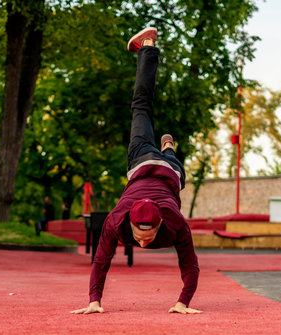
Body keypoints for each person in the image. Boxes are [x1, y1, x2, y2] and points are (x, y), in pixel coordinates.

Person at [71, 27, 201, 315]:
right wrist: (94, 301)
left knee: (141, 106)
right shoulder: (117, 220)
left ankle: (148, 45)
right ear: (128, 221)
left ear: (160, 223)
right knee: (171, 157)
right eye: (140, 236)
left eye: (148, 235)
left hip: (142, 159)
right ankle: (168, 147)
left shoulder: (175, 222)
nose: (143, 242)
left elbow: (190, 264)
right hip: (169, 171)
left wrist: (183, 303)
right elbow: (101, 260)